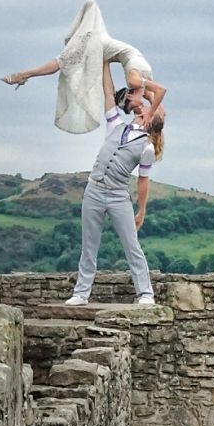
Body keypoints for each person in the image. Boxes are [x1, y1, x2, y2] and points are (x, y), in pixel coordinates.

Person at [65, 60, 165, 306]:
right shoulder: (116, 125)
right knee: (89, 245)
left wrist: (141, 211)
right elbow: (108, 92)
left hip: (119, 195)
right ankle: (81, 293)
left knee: (132, 246)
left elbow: (143, 181)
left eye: (153, 111)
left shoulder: (147, 147)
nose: (147, 109)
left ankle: (145, 294)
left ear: (153, 119)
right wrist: (105, 62)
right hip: (94, 190)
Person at [1, 0, 165, 135]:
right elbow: (161, 91)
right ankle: (23, 75)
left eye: (137, 108)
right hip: (94, 43)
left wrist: (152, 122)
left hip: (103, 49)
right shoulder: (134, 81)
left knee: (64, 64)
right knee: (61, 63)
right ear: (129, 97)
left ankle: (23, 75)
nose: (140, 107)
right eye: (136, 107)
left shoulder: (143, 87)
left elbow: (161, 111)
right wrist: (150, 114)